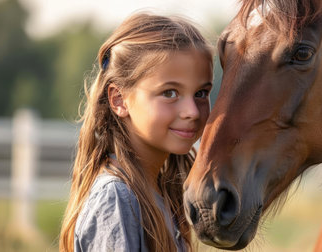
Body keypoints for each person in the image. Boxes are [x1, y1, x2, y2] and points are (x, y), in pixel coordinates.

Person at [59, 12, 214, 252]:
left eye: (201, 93)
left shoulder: (158, 195)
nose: (192, 111)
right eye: (170, 93)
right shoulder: (117, 199)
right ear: (119, 99)